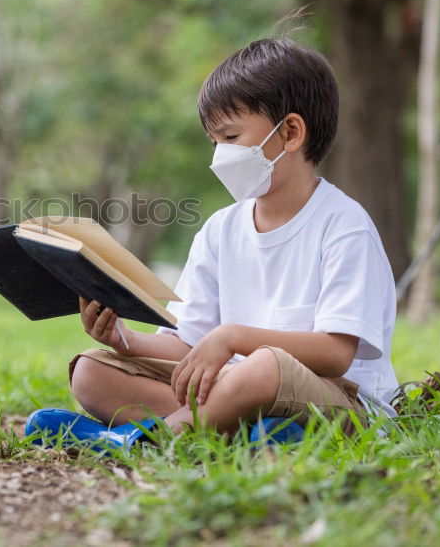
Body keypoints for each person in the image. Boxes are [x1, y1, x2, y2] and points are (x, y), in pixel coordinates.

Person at [26, 33, 400, 450]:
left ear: (291, 132)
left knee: (264, 366)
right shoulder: (220, 230)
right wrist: (123, 341)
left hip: (341, 404)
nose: (219, 155)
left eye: (231, 138)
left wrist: (233, 338)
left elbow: (336, 354)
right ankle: (249, 434)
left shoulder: (344, 225)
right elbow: (188, 344)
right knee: (91, 372)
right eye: (214, 141)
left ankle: (147, 442)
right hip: (239, 390)